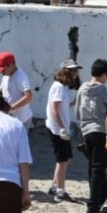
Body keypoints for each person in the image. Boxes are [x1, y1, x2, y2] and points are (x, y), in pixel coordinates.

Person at [76, 59, 107, 213]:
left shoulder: (81, 89)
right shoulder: (104, 92)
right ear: (104, 74)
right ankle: (93, 204)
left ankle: (98, 197)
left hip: (86, 131)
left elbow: (77, 112)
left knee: (92, 166)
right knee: (99, 167)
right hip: (100, 131)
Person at [44, 59, 81, 200]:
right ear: (64, 71)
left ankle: (55, 187)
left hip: (61, 127)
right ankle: (60, 191)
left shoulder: (63, 88)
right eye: (72, 70)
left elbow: (62, 107)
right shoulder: (58, 87)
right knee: (63, 160)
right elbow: (54, 110)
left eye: (76, 70)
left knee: (66, 159)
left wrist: (74, 102)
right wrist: (61, 129)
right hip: (56, 129)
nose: (75, 73)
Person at [0, 51, 33, 128]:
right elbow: (2, 89)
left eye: (3, 69)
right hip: (10, 117)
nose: (1, 72)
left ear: (11, 65)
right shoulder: (6, 76)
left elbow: (29, 97)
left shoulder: (20, 77)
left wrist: (11, 107)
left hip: (21, 119)